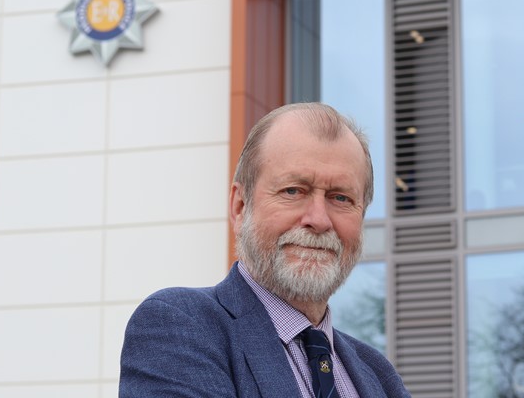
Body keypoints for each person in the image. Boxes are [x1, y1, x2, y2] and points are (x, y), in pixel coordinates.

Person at [119, 102, 410, 397]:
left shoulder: (378, 376)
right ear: (240, 206)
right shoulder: (180, 328)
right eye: (293, 191)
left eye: (341, 198)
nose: (319, 220)